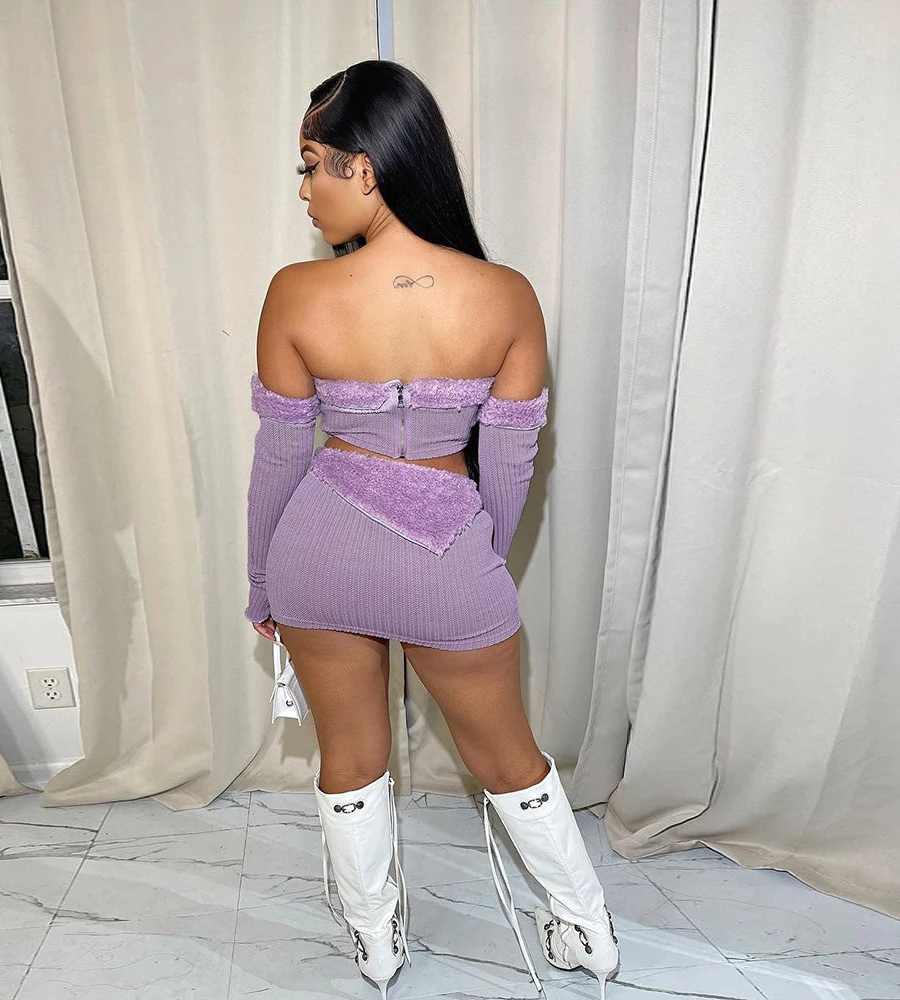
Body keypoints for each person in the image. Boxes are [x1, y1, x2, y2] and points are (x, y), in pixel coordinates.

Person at [245, 60, 620, 1000]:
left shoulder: (295, 293)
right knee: (511, 759)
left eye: (311, 165)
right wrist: (474, 560)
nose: (302, 190)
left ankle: (376, 946)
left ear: (365, 168)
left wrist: (262, 582)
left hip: (317, 551)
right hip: (450, 550)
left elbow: (280, 459)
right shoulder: (507, 294)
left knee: (348, 758)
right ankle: (589, 932)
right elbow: (510, 467)